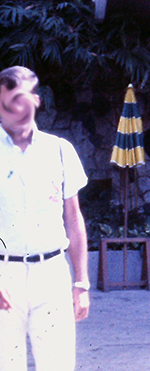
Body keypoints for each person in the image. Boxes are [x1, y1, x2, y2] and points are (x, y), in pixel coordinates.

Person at [0, 66, 91, 371]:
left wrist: (81, 283)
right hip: (4, 276)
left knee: (57, 365)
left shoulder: (60, 151)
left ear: (36, 101)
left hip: (51, 275)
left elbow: (74, 220)